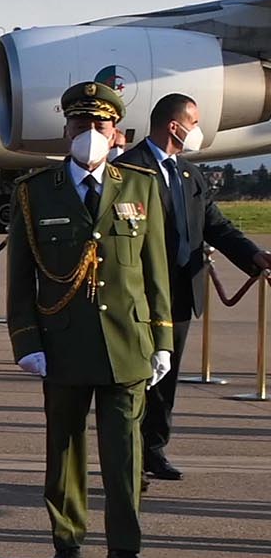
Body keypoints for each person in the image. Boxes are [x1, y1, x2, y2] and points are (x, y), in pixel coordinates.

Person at [8, 81, 172, 558]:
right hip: (62, 342)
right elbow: (20, 279)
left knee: (125, 454)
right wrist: (27, 341)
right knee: (65, 449)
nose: (91, 133)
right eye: (81, 124)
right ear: (66, 131)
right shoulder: (35, 191)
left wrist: (162, 340)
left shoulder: (141, 186)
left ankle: (124, 549)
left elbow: (155, 270)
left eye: (100, 124)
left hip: (127, 343)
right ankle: (67, 538)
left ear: (117, 132)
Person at [115, 93, 271, 481]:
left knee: (165, 378)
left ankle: (154, 449)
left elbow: (216, 225)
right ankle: (128, 460)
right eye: (194, 122)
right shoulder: (127, 170)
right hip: (139, 295)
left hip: (181, 294)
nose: (198, 130)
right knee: (135, 379)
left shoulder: (189, 174)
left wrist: (254, 255)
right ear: (175, 126)